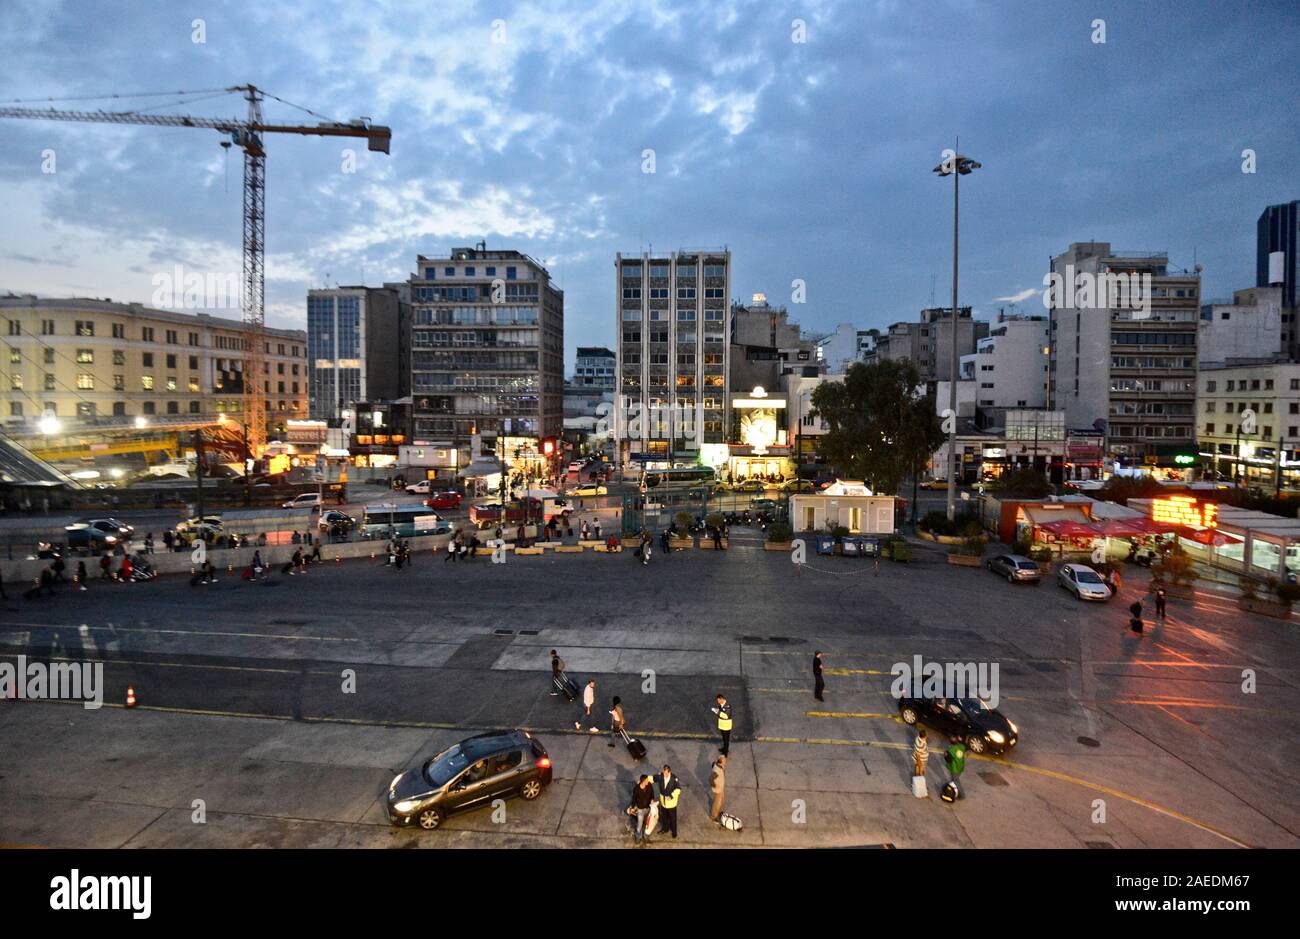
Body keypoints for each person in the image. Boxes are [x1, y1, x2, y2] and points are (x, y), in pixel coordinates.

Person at [656, 765, 681, 839]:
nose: (665, 775)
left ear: (669, 772)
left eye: (666, 773)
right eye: (664, 772)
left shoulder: (674, 779)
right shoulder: (660, 776)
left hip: (671, 804)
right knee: (664, 817)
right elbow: (653, 778)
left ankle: (674, 832)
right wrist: (645, 779)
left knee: (672, 818)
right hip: (663, 802)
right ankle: (665, 829)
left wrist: (671, 796)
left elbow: (678, 789)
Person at [630, 775, 655, 845]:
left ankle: (646, 837)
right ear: (642, 782)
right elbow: (634, 799)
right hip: (640, 809)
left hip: (648, 808)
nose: (648, 781)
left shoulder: (649, 785)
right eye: (646, 781)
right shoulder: (636, 789)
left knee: (648, 824)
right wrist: (632, 807)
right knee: (640, 824)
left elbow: (652, 794)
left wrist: (652, 799)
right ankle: (638, 837)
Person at [709, 755, 727, 823]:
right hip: (718, 790)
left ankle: (718, 812)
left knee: (721, 801)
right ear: (721, 761)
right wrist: (714, 785)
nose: (726, 761)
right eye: (724, 760)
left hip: (721, 788)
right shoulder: (716, 770)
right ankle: (713, 816)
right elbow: (710, 779)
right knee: (716, 803)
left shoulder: (720, 766)